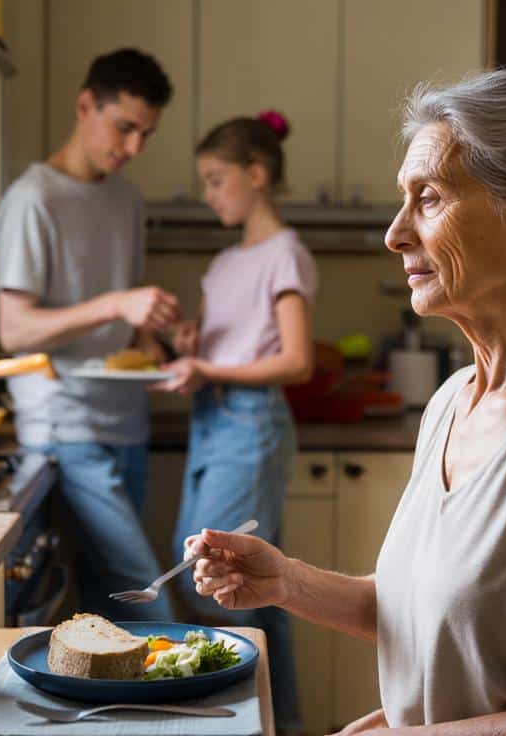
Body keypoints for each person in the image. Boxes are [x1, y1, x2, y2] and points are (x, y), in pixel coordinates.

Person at [184, 68, 506, 735]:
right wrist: (284, 582)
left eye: (430, 199)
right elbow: (427, 612)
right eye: (403, 199)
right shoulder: (452, 403)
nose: (395, 233)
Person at [0, 48, 179, 621]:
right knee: (149, 604)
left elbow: (123, 308)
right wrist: (115, 304)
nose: (132, 149)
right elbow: (14, 329)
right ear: (84, 105)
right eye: (124, 128)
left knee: (111, 609)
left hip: (127, 421)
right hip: (64, 425)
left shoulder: (127, 198)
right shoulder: (33, 199)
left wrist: (150, 339)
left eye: (145, 135)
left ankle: (123, 714)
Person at [155, 110, 316, 735]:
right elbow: (213, 350)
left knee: (217, 575)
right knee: (237, 582)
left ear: (257, 174)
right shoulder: (224, 263)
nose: (209, 193)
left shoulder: (285, 254)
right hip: (211, 422)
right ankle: (275, 724)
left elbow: (296, 360)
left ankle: (246, 722)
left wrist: (210, 367)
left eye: (217, 179)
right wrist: (183, 341)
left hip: (252, 426)